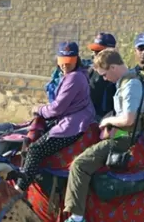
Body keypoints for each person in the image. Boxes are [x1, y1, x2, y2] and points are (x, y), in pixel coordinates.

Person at [53, 49, 144, 222]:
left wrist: (108, 122)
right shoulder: (126, 82)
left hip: (123, 139)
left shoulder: (131, 85)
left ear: (113, 67)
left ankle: (77, 219)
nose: (103, 79)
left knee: (79, 165)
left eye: (104, 74)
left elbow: (129, 119)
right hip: (121, 134)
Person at [13, 42, 95, 193]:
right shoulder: (76, 74)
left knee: (35, 150)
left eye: (69, 63)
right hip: (73, 118)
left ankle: (20, 189)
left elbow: (57, 108)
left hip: (72, 124)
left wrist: (38, 109)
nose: (65, 66)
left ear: (77, 59)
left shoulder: (74, 78)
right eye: (62, 62)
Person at [87, 32, 118, 120]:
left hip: (106, 122)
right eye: (94, 51)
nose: (95, 54)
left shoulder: (118, 74)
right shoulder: (90, 71)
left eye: (99, 51)